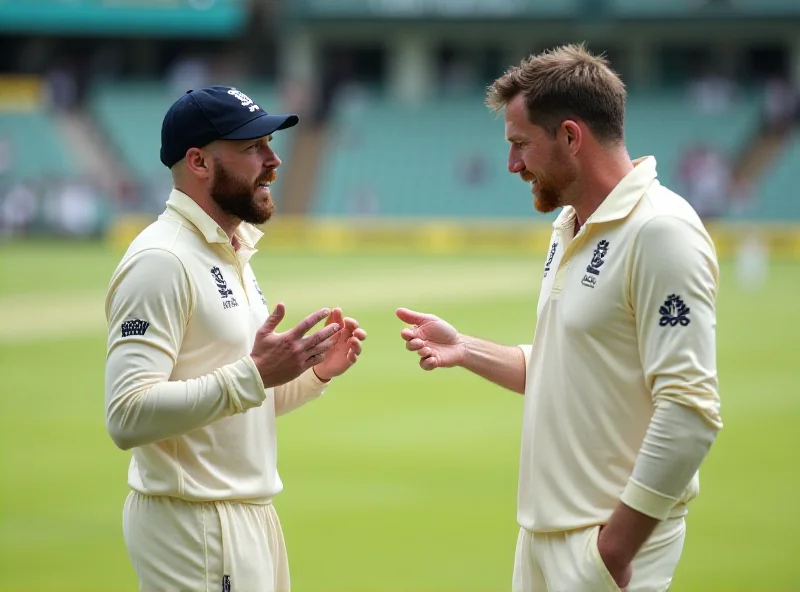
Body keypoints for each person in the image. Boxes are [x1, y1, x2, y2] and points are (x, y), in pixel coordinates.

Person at [396, 44, 722, 592]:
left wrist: (614, 550)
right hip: (544, 540)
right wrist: (466, 349)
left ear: (571, 136)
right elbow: (566, 369)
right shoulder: (572, 223)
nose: (512, 164)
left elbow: (690, 409)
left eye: (520, 145)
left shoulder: (661, 230)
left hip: (603, 547)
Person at [104, 85, 367, 592]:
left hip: (246, 516)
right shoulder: (162, 261)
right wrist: (253, 373)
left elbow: (240, 397)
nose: (274, 160)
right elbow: (126, 415)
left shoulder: (229, 250)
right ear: (199, 162)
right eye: (253, 148)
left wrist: (310, 374)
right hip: (196, 524)